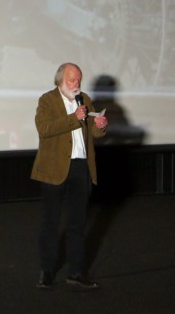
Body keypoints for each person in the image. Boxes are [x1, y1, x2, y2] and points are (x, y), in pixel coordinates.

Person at [31, 62, 107, 289]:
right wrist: (74, 117)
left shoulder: (85, 99)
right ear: (60, 80)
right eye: (72, 80)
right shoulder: (47, 100)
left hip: (81, 168)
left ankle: (76, 272)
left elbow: (94, 132)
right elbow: (44, 129)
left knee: (77, 223)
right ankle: (47, 272)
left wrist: (100, 125)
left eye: (79, 80)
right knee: (51, 223)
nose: (76, 84)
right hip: (53, 169)